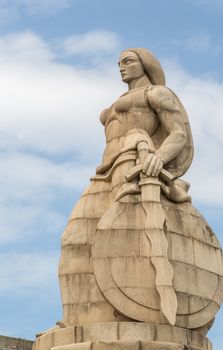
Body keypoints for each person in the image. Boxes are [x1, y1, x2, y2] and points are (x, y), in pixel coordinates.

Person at [57, 48, 194, 327]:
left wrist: (158, 158)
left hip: (133, 162)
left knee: (130, 239)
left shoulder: (157, 94)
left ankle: (130, 313)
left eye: (128, 62)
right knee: (75, 239)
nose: (121, 67)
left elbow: (178, 133)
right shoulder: (119, 100)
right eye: (119, 63)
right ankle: (75, 320)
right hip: (105, 172)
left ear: (145, 65)